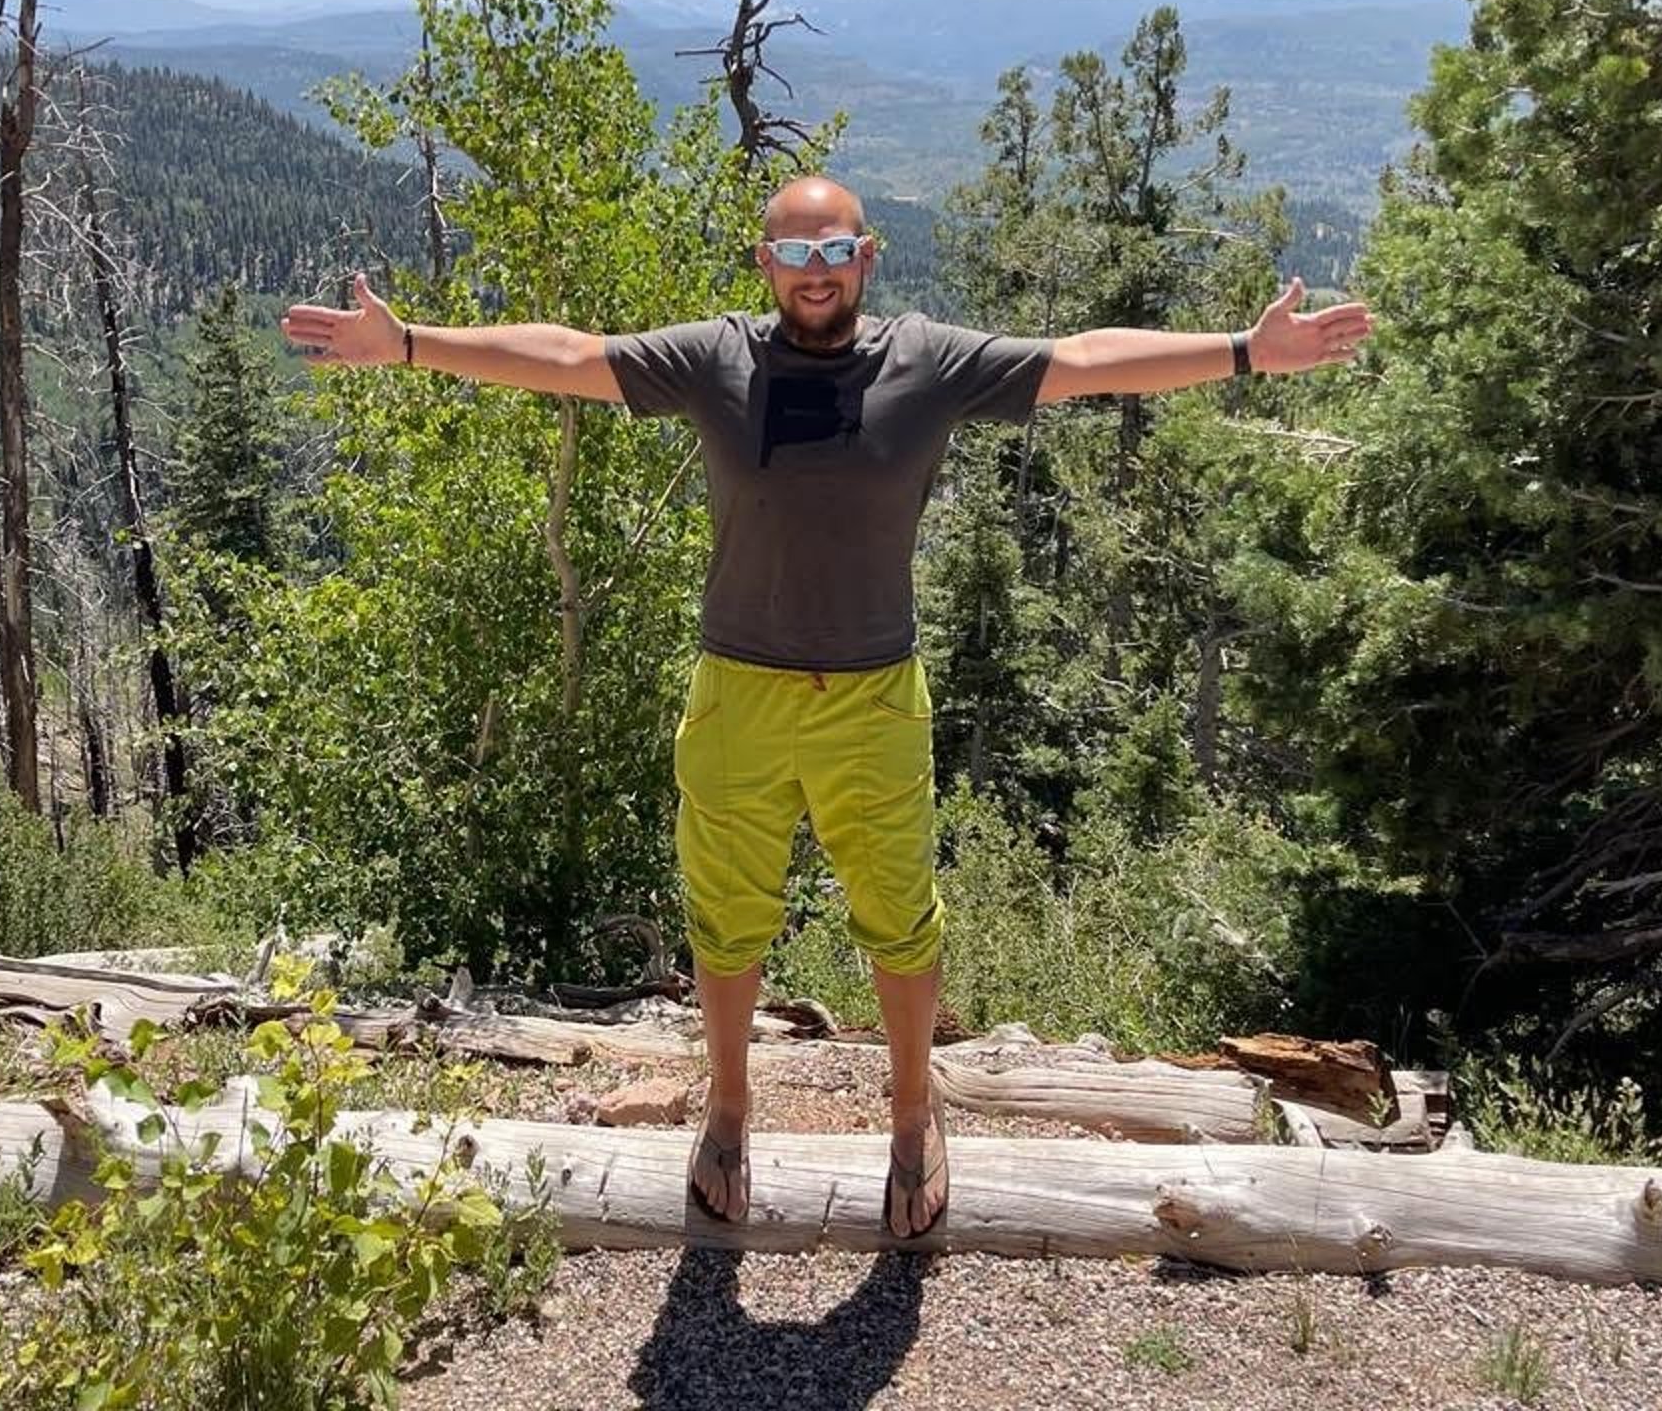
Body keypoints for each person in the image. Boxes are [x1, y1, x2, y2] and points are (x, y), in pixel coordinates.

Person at [280, 174, 1374, 1239]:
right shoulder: (717, 358)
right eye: (796, 252)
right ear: (767, 262)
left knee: (900, 918)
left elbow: (1083, 361)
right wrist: (406, 342)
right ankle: (728, 1109)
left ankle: (913, 1114)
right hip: (738, 691)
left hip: (875, 695)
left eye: (836, 249)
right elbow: (570, 356)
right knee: (725, 918)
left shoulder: (927, 360)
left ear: (867, 256)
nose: (817, 271)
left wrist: (1246, 351)